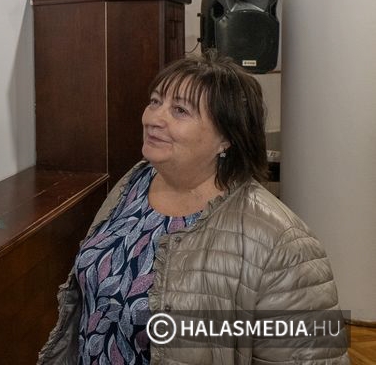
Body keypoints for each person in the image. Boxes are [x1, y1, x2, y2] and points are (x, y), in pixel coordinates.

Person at [38, 52, 349, 365]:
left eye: (180, 110)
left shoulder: (283, 241)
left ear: (226, 137)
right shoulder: (135, 182)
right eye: (155, 101)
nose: (153, 118)